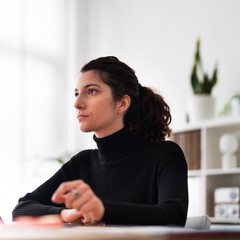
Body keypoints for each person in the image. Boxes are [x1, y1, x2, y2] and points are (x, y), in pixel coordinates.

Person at [12, 56, 188, 226]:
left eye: (92, 91)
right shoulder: (82, 162)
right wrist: (65, 214)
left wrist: (102, 209)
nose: (77, 103)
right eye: (76, 93)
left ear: (122, 103)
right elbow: (21, 209)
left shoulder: (165, 154)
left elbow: (173, 215)